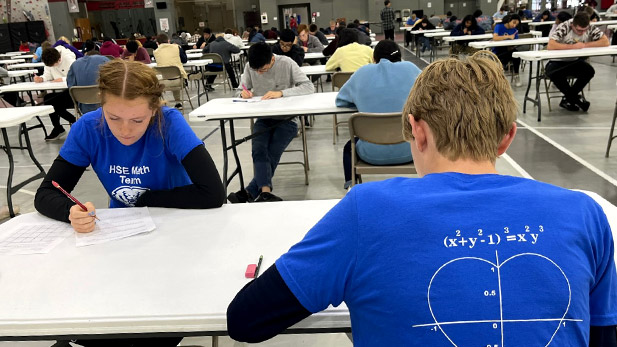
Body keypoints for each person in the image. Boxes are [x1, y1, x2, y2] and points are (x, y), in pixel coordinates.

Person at [226, 51, 617, 346]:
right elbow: (603, 335)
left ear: (418, 131)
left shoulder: (366, 210)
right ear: (507, 138)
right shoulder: (585, 212)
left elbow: (245, 321)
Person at [35, 59, 225, 228]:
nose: (125, 131)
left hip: (178, 218)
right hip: (124, 225)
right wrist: (71, 212)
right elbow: (46, 194)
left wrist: (147, 199)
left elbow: (213, 193)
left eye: (137, 120)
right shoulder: (88, 128)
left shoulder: (169, 123)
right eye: (113, 118)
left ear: (154, 109)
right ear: (101, 104)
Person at [227, 43, 314, 203]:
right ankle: (265, 194)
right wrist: (243, 94)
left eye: (263, 70)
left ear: (272, 59)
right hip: (263, 117)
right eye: (257, 71)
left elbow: (308, 86)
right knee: (258, 150)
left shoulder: (286, 63)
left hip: (287, 119)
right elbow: (240, 89)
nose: (260, 73)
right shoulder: (249, 66)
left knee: (272, 152)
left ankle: (250, 192)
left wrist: (282, 93)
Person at [337, 40, 420, 189]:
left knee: (348, 148)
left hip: (370, 153)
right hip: (411, 149)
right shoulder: (411, 69)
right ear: (399, 57)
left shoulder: (361, 73)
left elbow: (341, 101)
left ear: (374, 58)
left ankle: (352, 187)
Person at [547, 12, 608, 111]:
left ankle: (569, 98)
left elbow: (605, 41)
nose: (582, 33)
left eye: (585, 30)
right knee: (553, 72)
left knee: (589, 71)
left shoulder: (590, 27)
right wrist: (572, 47)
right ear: (572, 25)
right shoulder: (565, 26)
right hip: (557, 61)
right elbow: (551, 45)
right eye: (579, 30)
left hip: (574, 61)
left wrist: (585, 45)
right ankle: (575, 99)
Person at [35, 47, 76, 140]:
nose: (53, 67)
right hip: (60, 91)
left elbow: (76, 75)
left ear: (59, 59)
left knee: (53, 102)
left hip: (73, 91)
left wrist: (62, 79)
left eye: (55, 64)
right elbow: (47, 75)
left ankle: (73, 122)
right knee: (48, 99)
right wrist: (41, 78)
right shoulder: (49, 60)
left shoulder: (69, 58)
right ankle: (60, 127)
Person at [153, 33, 188, 110]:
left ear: (157, 43)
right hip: (179, 81)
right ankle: (178, 102)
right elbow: (184, 60)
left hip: (163, 83)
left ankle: (161, 103)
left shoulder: (155, 52)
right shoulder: (177, 47)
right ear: (168, 41)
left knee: (169, 75)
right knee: (176, 75)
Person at [492, 14, 522, 87]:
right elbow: (495, 38)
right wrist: (507, 37)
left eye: (516, 24)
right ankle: (500, 76)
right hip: (498, 51)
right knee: (511, 55)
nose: (514, 25)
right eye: (514, 22)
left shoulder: (514, 30)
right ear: (509, 20)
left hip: (509, 50)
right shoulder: (499, 26)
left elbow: (516, 41)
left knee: (516, 55)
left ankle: (516, 74)